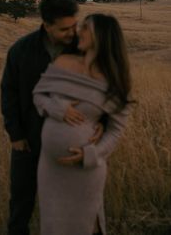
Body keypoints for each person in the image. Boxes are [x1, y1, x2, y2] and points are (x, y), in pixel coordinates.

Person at [0, 0, 104, 235]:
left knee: (85, 203)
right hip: (29, 141)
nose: (72, 32)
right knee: (21, 202)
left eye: (74, 25)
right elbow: (9, 92)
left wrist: (103, 122)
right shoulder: (21, 50)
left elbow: (103, 88)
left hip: (74, 142)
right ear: (46, 25)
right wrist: (15, 134)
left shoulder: (84, 48)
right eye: (65, 29)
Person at [33, 13, 133, 235]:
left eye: (86, 27)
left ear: (102, 36)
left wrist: (90, 155)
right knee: (52, 226)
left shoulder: (112, 81)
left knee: (85, 226)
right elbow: (38, 95)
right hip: (50, 168)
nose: (79, 31)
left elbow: (116, 130)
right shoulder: (62, 62)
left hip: (84, 170)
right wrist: (58, 109)